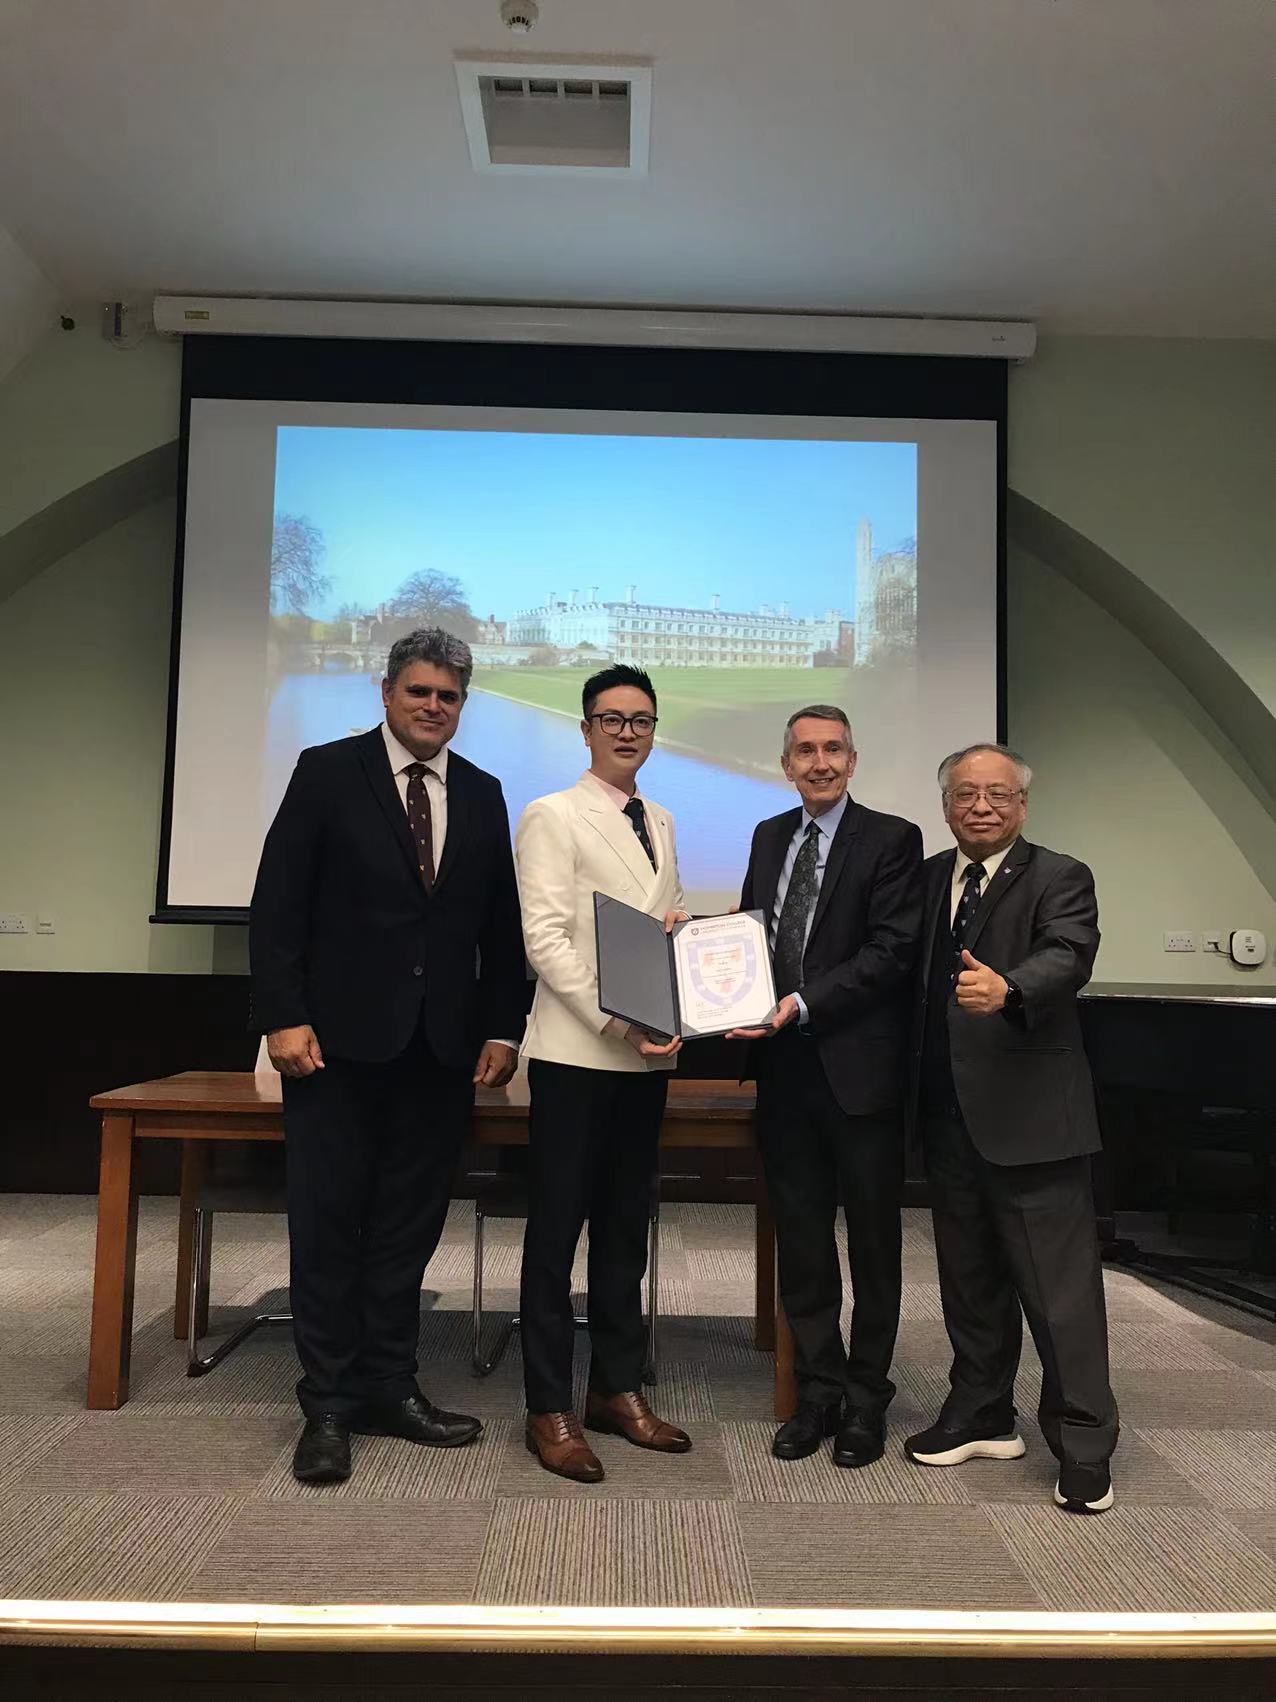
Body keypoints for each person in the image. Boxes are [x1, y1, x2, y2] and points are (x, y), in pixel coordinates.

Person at [250, 627, 527, 1484]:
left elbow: (500, 927)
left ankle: (391, 1386)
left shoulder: (481, 792)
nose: (433, 707)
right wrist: (283, 1017)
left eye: (448, 696)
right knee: (329, 1224)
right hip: (333, 1049)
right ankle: (329, 1405)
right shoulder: (327, 772)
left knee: (408, 1229)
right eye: (419, 692)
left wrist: (503, 1028)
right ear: (386, 693)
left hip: (440, 1052)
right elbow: (278, 904)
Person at [905, 742, 1118, 1514]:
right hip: (948, 1117)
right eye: (966, 794)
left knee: (1060, 1297)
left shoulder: (1060, 877)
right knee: (969, 1281)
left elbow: (1069, 953)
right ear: (946, 806)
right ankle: (983, 1412)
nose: (981, 806)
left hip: (1034, 1122)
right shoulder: (928, 878)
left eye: (997, 794)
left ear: (1022, 805)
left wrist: (1011, 988)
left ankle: (1085, 1446)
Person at [730, 707, 923, 1468]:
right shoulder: (768, 835)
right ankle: (817, 1391)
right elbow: (753, 932)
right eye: (805, 751)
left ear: (853, 760)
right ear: (786, 764)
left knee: (873, 1245)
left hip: (860, 1075)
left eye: (833, 749)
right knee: (803, 1242)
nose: (820, 762)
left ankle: (867, 1398)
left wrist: (803, 1003)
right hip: (784, 1074)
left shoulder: (892, 839)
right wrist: (701, 954)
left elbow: (892, 951)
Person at [516, 664, 692, 1482]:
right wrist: (619, 1016)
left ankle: (616, 1389)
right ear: (585, 729)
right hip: (579, 1053)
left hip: (647, 1059)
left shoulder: (660, 817)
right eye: (612, 719)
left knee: (626, 1229)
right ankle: (548, 1406)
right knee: (556, 1234)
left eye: (642, 720)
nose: (628, 732)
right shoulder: (552, 814)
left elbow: (658, 925)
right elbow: (545, 941)